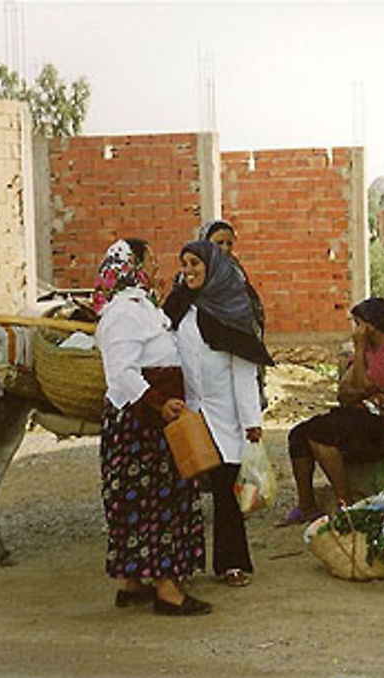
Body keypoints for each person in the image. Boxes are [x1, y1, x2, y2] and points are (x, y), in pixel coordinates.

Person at [93, 238, 211, 616]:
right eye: (151, 260)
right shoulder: (124, 313)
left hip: (150, 419)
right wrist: (159, 403)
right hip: (142, 425)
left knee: (138, 502)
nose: (158, 269)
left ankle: (132, 583)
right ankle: (167, 590)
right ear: (133, 266)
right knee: (159, 502)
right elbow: (121, 371)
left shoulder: (142, 308)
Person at [163, 240, 274, 587]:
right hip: (189, 415)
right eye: (184, 264)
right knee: (181, 494)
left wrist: (251, 423)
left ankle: (232, 563)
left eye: (195, 263)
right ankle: (177, 567)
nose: (189, 271)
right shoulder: (178, 307)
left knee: (227, 495)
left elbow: (243, 373)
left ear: (212, 267)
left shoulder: (231, 309)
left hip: (225, 417)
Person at [276, 297, 384, 526]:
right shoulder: (368, 352)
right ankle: (306, 506)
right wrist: (360, 384)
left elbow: (360, 387)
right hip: (365, 417)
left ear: (369, 325)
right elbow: (344, 393)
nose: (355, 330)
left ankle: (347, 505)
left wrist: (360, 350)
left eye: (357, 323)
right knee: (300, 434)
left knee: (321, 434)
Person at [200, 219, 269, 410]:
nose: (225, 248)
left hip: (239, 345)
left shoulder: (236, 271)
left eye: (229, 243)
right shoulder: (195, 272)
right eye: (219, 243)